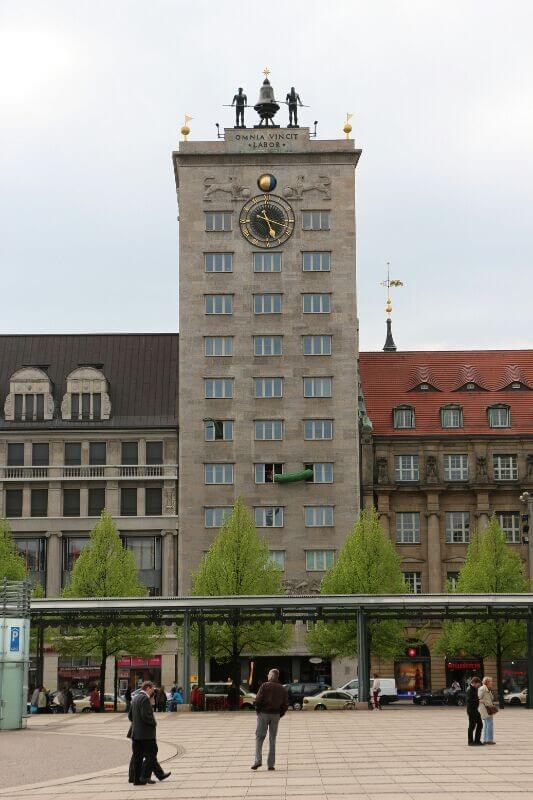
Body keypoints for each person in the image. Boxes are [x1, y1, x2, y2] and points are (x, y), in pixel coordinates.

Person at [127, 680, 171, 786]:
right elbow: (146, 716)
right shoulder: (144, 698)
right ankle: (144, 776)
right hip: (146, 734)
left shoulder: (136, 698)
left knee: (137, 757)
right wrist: (153, 723)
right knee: (152, 753)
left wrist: (137, 724)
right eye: (152, 689)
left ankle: (136, 779)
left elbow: (130, 716)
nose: (152, 691)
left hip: (136, 733)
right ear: (148, 688)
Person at [251, 668, 289, 771]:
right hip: (275, 714)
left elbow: (258, 700)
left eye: (268, 674)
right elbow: (285, 704)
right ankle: (271, 764)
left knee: (259, 737)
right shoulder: (282, 688)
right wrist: (280, 714)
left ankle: (257, 760)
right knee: (272, 739)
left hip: (264, 714)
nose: (267, 676)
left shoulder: (264, 685)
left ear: (271, 676)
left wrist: (258, 711)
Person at [478, 676, 497, 745]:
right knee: (489, 724)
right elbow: (478, 698)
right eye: (491, 681)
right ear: (487, 682)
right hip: (485, 709)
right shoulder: (482, 689)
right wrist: (484, 702)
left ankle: (486, 739)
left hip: (488, 708)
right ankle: (489, 740)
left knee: (487, 724)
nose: (492, 682)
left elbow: (491, 698)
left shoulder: (487, 689)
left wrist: (489, 691)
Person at [466, 676, 483, 746]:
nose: (479, 686)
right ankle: (470, 741)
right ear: (474, 683)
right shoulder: (469, 690)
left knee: (480, 724)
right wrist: (478, 700)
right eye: (478, 685)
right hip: (471, 710)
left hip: (475, 710)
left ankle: (477, 740)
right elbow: (469, 701)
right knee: (472, 726)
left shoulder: (474, 689)